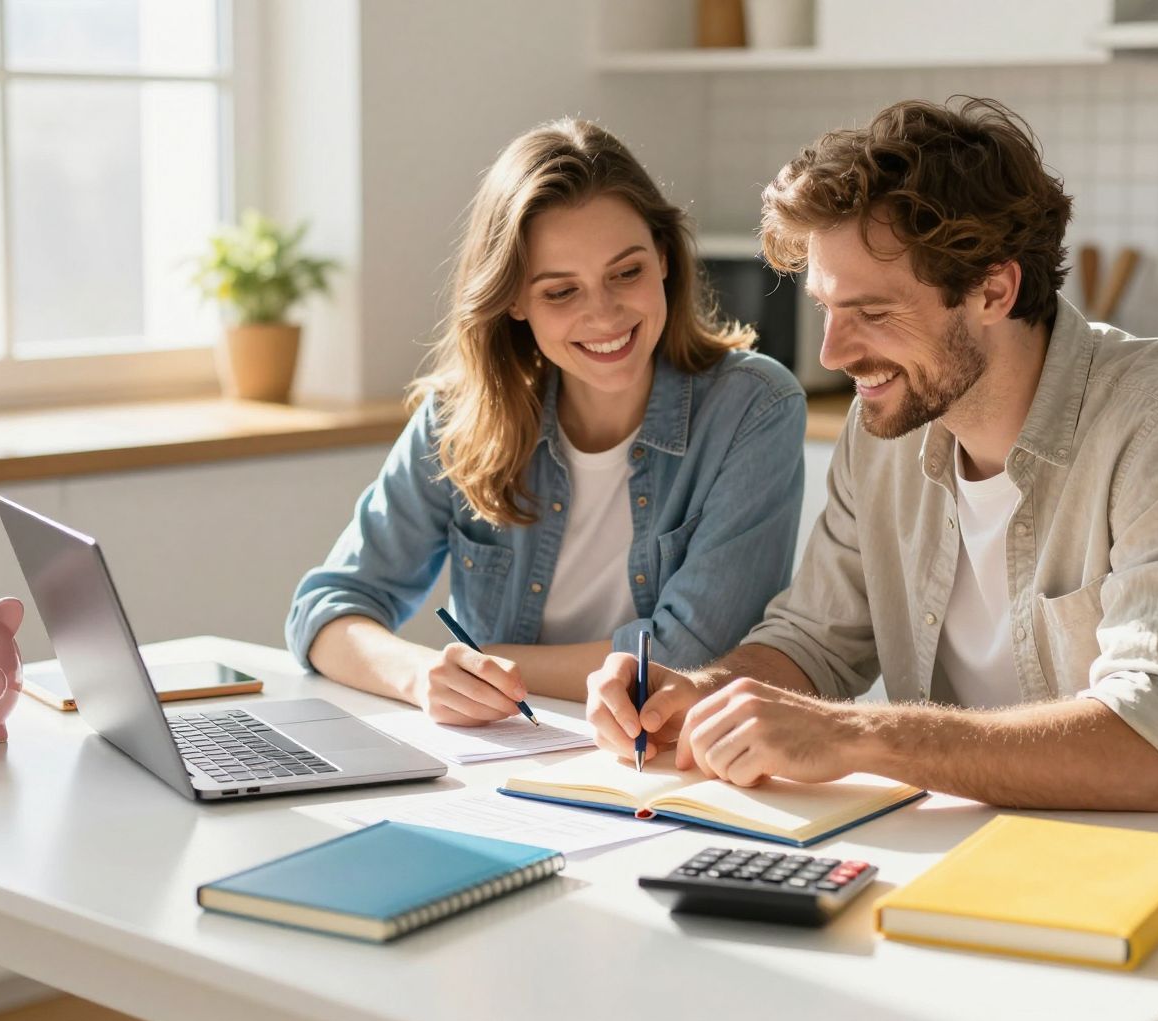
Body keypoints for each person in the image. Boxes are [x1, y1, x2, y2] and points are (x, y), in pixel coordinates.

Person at [587, 98, 1158, 1021]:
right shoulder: (885, 427)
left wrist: (853, 736)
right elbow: (813, 640)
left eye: (871, 312)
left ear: (993, 289)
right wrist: (705, 691)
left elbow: (1156, 748)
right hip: (985, 887)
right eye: (826, 310)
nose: (834, 352)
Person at [287, 118, 806, 727]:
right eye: (561, 292)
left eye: (627, 273)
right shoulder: (460, 415)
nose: (604, 315)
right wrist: (422, 676)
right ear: (513, 299)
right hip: (496, 755)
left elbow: (688, 655)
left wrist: (489, 664)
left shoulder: (754, 407)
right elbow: (325, 609)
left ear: (664, 257)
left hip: (666, 757)